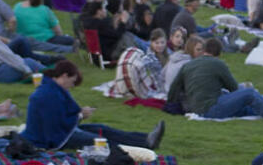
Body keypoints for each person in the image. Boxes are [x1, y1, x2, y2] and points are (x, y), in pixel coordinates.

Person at [23, 60, 166, 150]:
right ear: (64, 76)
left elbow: (61, 117)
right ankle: (142, 147)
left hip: (61, 131)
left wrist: (78, 115)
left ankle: (146, 138)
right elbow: (53, 125)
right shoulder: (46, 94)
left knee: (102, 129)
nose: (71, 86)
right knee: (99, 141)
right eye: (72, 82)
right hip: (52, 139)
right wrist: (79, 115)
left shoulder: (53, 89)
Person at [168, 38, 263, 122]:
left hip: (197, 107)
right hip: (209, 109)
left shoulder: (188, 65)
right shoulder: (218, 64)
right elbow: (234, 88)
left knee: (243, 106)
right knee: (249, 93)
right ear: (219, 54)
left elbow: (173, 89)